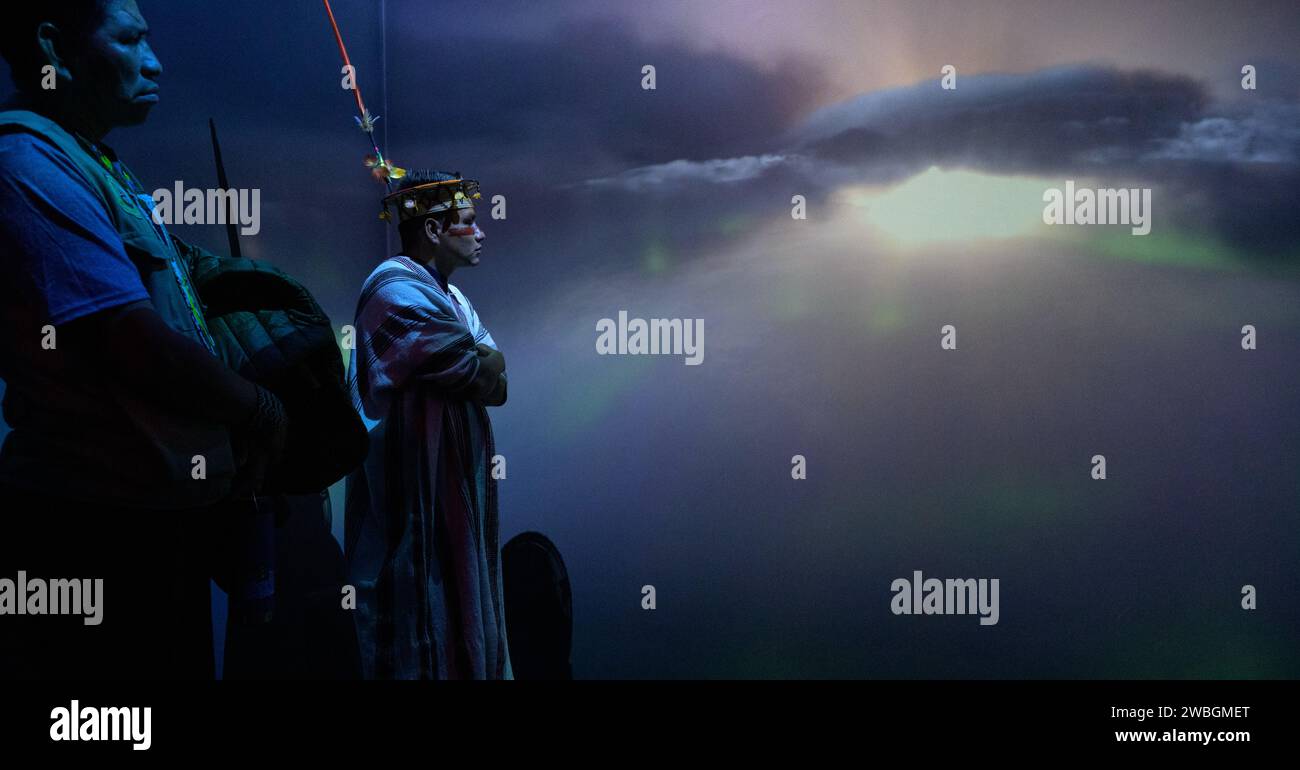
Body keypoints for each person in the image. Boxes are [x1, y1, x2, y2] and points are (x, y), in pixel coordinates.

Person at [0, 0, 286, 679]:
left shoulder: (96, 165)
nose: (155, 62)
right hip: (90, 535)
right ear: (54, 47)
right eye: (129, 39)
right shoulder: (26, 165)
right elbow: (131, 339)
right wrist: (260, 409)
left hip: (150, 525)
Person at [345, 170, 511, 679]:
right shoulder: (392, 288)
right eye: (467, 222)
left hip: (457, 507)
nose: (481, 232)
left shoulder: (454, 300)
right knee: (421, 632)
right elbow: (475, 364)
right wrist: (478, 361)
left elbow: (499, 381)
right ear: (433, 231)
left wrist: (479, 362)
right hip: (414, 513)